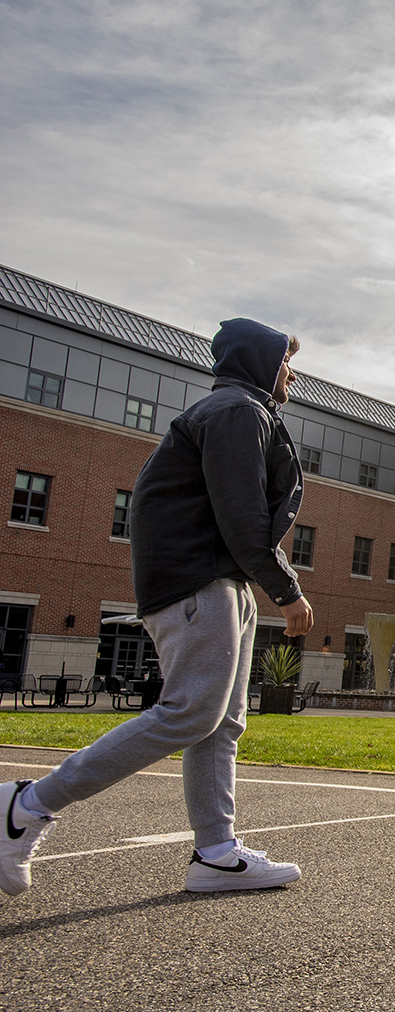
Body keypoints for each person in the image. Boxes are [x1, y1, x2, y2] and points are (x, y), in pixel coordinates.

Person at [2, 318, 314, 896]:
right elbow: (241, 515)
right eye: (285, 362)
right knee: (190, 713)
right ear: (261, 364)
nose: (291, 374)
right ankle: (27, 804)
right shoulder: (235, 412)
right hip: (198, 581)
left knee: (219, 724)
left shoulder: (241, 411)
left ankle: (216, 853)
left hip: (222, 581)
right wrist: (287, 589)